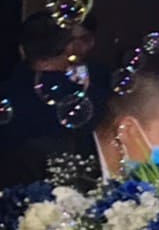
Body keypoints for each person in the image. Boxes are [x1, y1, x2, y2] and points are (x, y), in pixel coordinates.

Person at [0, 11, 106, 188]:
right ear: (68, 49)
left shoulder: (6, 92)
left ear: (22, 50)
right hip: (70, 192)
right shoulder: (89, 97)